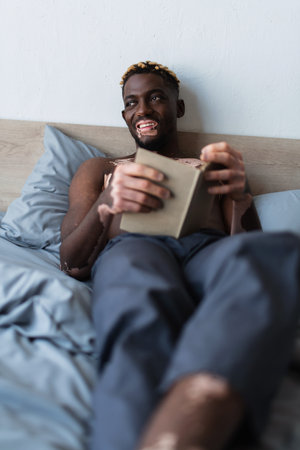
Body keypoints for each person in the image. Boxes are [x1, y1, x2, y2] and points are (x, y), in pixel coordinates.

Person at [60, 61, 300, 450]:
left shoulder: (213, 166)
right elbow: (70, 261)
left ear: (178, 108)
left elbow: (246, 245)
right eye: (132, 102)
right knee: (136, 290)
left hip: (207, 250)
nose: (144, 110)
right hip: (133, 248)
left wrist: (240, 197)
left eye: (156, 98)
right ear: (125, 114)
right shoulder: (102, 168)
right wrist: (108, 203)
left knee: (273, 255)